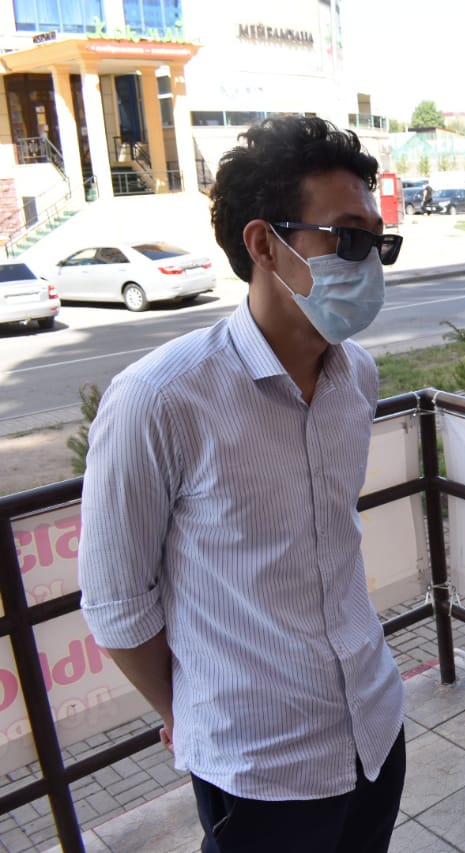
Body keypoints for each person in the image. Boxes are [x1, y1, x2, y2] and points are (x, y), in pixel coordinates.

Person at [77, 116, 407, 853]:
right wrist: (189, 712)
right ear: (264, 244)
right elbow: (116, 602)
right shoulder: (161, 398)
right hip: (260, 767)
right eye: (348, 239)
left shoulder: (356, 375)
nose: (370, 264)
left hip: (376, 728)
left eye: (378, 243)